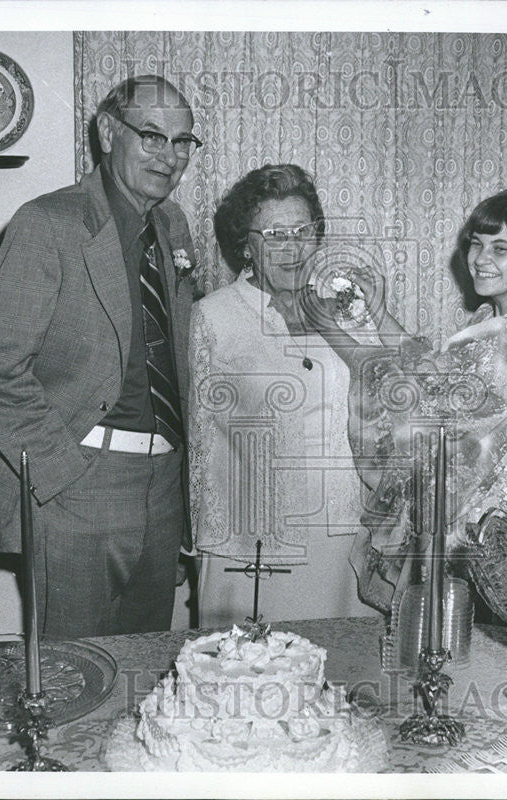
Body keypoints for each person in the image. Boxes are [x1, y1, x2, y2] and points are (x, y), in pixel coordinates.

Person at [0, 75, 202, 637]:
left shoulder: (173, 225)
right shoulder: (48, 223)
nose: (169, 157)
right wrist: (61, 470)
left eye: (182, 142)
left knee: (145, 664)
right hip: (80, 478)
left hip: (165, 481)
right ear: (106, 133)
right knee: (74, 674)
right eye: (152, 136)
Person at [299, 188, 507, 615]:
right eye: (476, 244)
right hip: (486, 517)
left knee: (454, 652)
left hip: (490, 529)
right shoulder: (503, 319)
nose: (481, 258)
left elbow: (425, 396)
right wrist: (377, 311)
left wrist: (331, 331)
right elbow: (435, 369)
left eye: (500, 248)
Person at [188, 163, 375, 627]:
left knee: (341, 681)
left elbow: (384, 395)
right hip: (252, 540)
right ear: (244, 245)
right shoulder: (214, 317)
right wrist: (197, 541)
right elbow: (198, 443)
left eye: (303, 231)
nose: (292, 248)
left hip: (345, 530)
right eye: (274, 234)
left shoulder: (346, 304)